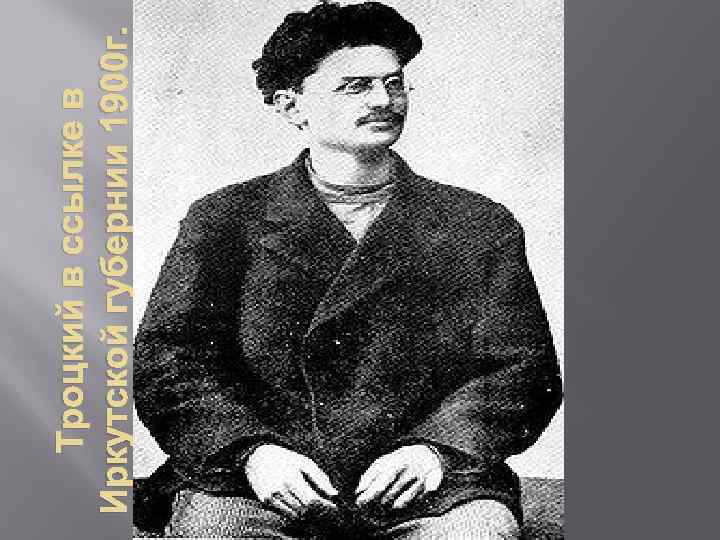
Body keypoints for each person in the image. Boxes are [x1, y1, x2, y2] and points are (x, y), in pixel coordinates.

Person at [134, 2, 563, 538]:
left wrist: (436, 451)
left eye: (394, 83)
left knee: (478, 535)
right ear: (292, 106)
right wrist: (252, 452)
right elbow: (169, 361)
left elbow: (522, 369)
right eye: (355, 87)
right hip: (261, 483)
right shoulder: (225, 218)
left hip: (428, 486)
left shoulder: (477, 224)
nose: (384, 100)